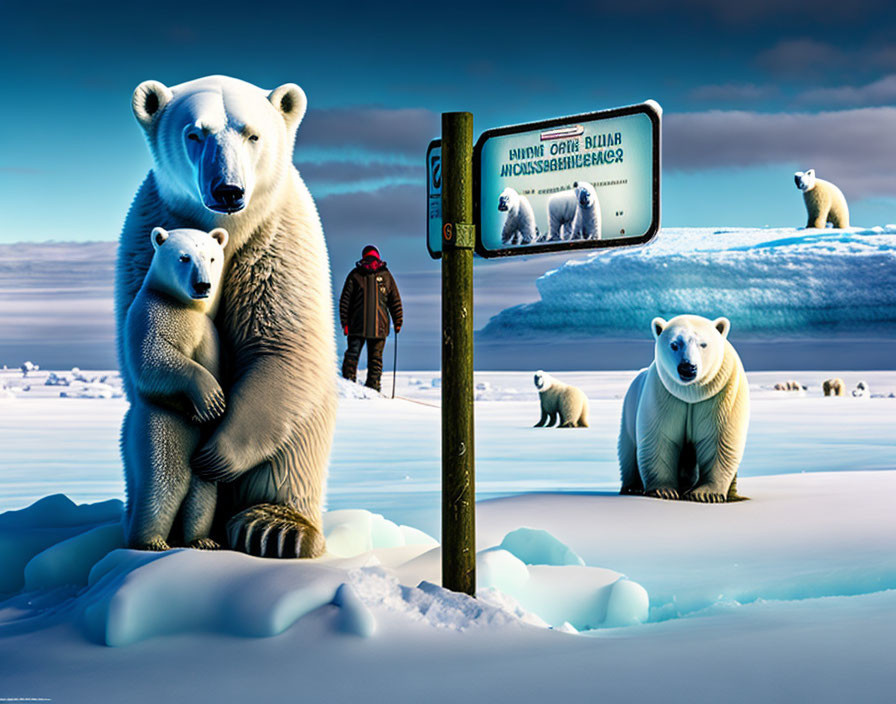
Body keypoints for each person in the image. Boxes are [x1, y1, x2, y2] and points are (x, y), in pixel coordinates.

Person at [339, 245, 403, 392]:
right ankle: (368, 387)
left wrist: (345, 323)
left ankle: (355, 386)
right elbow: (395, 301)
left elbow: (344, 302)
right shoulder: (361, 275)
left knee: (353, 356)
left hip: (360, 326)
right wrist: (397, 321)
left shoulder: (358, 275)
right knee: (374, 360)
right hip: (370, 327)